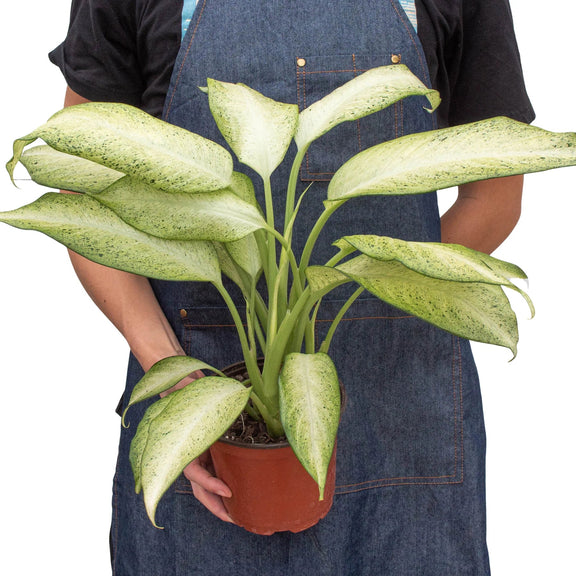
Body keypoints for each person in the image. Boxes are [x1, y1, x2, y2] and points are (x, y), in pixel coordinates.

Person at [48, 1, 534, 574]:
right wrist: (181, 391)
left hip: (398, 402)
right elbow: (81, 191)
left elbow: (494, 198)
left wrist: (373, 284)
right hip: (210, 418)